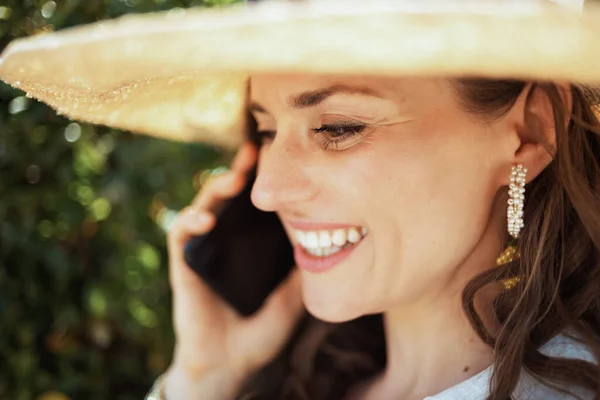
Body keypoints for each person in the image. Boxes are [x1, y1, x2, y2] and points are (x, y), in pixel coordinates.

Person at [1, 1, 599, 399]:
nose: (266, 191)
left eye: (338, 127)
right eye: (264, 132)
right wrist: (204, 378)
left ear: (532, 133)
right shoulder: (306, 378)